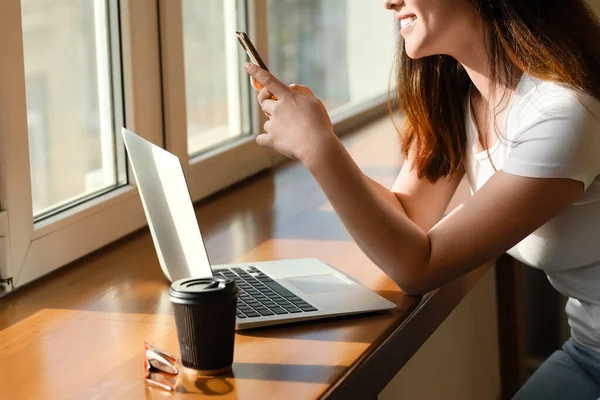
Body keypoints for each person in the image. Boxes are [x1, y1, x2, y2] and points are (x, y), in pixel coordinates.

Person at [243, 0, 600, 398]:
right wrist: (318, 138)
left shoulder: (565, 112)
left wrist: (319, 148)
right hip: (588, 350)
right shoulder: (464, 96)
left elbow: (420, 266)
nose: (388, 2)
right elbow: (410, 214)